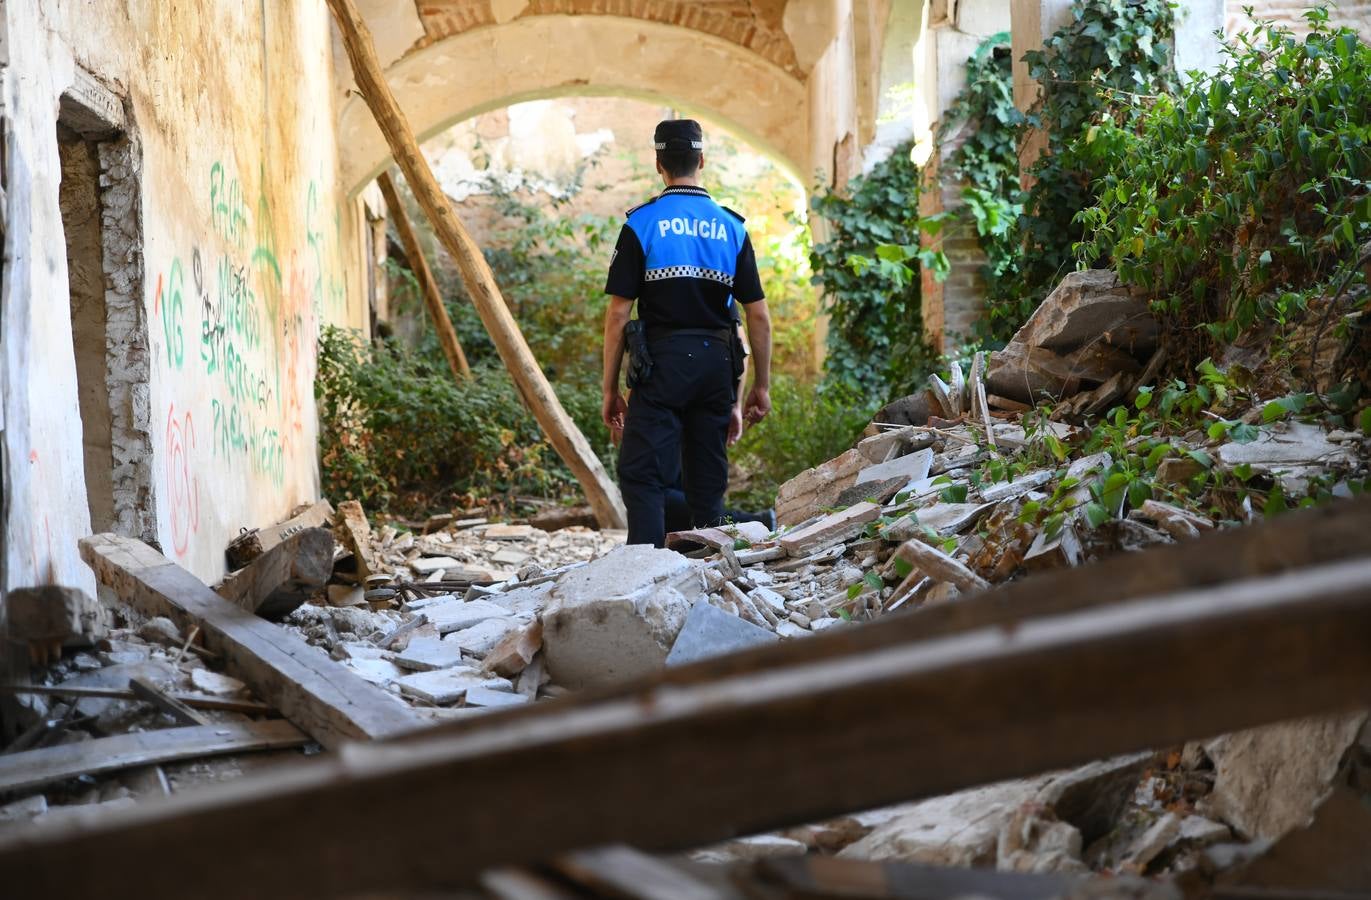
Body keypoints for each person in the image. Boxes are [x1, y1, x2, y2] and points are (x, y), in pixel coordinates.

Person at [601, 118, 772, 548]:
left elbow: (618, 314)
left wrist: (609, 390)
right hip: (717, 365)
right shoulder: (732, 228)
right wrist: (760, 386)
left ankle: (643, 569)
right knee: (706, 485)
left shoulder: (642, 224)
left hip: (661, 366)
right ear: (701, 160)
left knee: (642, 473)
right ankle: (710, 578)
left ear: (659, 163)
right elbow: (758, 317)